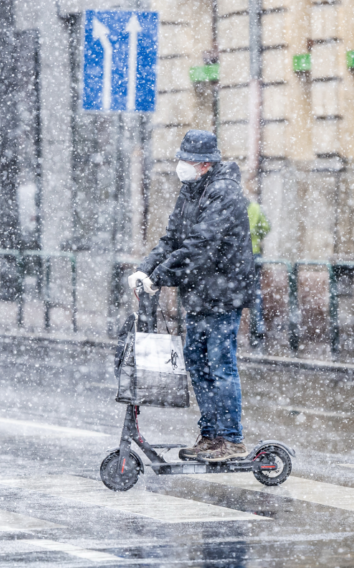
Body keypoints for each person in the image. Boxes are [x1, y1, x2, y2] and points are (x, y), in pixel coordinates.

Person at [127, 129, 256, 463]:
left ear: (204, 164)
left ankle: (230, 438)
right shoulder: (190, 191)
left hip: (223, 294)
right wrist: (146, 269)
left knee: (219, 363)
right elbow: (171, 238)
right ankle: (211, 436)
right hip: (199, 294)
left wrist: (161, 276)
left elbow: (201, 244)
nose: (180, 165)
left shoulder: (223, 192)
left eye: (186, 159)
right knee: (198, 363)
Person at [247, 201, 270, 348]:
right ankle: (258, 326)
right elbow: (266, 227)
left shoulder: (230, 205)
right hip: (254, 254)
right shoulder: (255, 207)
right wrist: (256, 237)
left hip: (237, 256)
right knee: (255, 293)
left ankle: (229, 327)